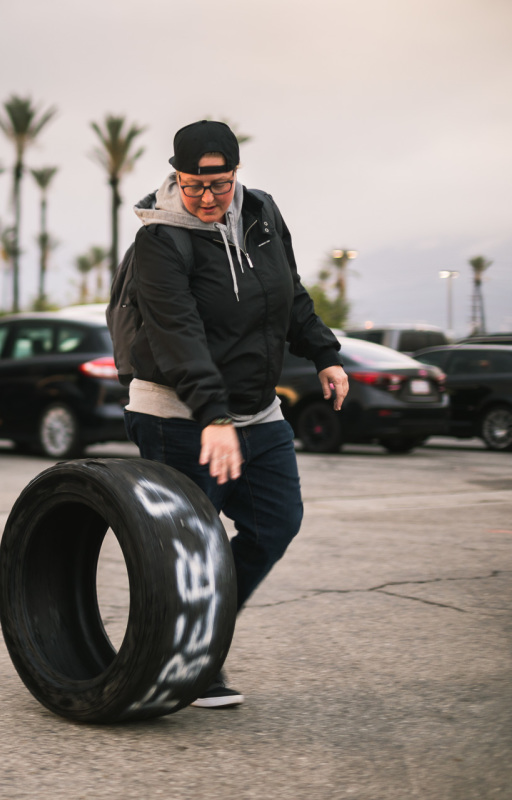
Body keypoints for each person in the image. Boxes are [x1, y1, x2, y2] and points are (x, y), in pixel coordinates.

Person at [121, 120, 349, 708]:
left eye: (217, 185)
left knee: (275, 525)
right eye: (192, 185)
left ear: (236, 175)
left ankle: (200, 640)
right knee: (192, 545)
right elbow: (178, 336)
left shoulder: (263, 215)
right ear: (176, 176)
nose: (204, 198)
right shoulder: (159, 241)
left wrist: (324, 353)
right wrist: (212, 419)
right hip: (177, 412)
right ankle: (191, 662)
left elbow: (288, 294)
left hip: (256, 410)